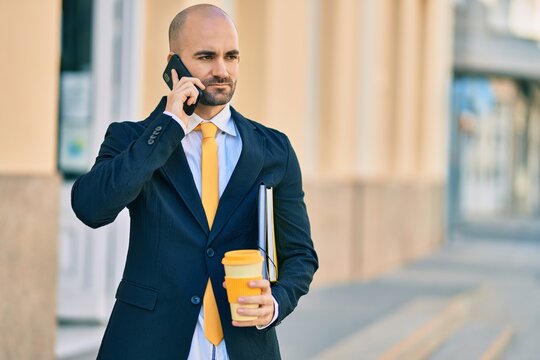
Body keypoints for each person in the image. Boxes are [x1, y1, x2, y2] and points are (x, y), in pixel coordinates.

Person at [71, 4, 318, 360]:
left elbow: (301, 255)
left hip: (244, 346)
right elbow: (90, 208)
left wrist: (276, 303)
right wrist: (169, 126)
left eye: (231, 56)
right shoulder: (133, 139)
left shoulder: (272, 149)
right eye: (206, 56)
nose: (222, 70)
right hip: (147, 344)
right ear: (174, 62)